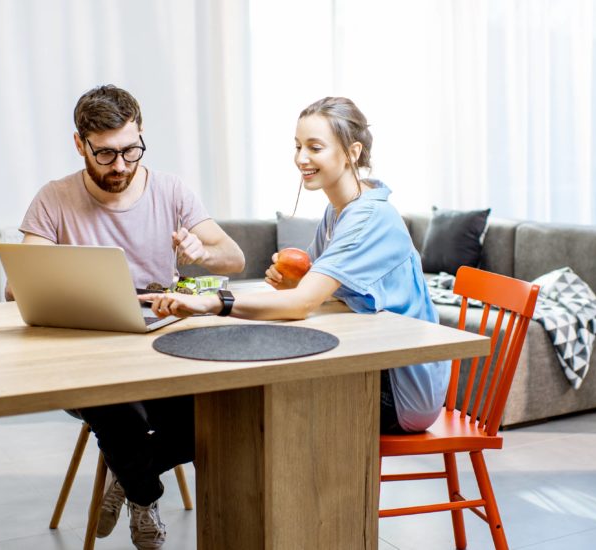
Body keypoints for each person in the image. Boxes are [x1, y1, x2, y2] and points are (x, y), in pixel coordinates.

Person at [8, 84, 244, 549]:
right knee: (112, 402)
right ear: (80, 144)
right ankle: (145, 493)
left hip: (161, 349)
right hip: (88, 355)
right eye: (106, 154)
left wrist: (203, 252)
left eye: (131, 151)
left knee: (217, 416)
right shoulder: (54, 198)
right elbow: (20, 285)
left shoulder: (171, 189)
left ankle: (131, 478)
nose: (120, 166)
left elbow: (232, 258)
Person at [141, 96, 451, 436]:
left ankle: (141, 465)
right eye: (298, 146)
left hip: (402, 392)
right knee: (237, 390)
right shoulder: (338, 212)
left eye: (314, 147)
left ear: (353, 152)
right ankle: (145, 462)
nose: (301, 158)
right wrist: (294, 285)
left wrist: (212, 302)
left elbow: (302, 304)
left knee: (251, 395)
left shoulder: (369, 218)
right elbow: (312, 292)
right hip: (377, 363)